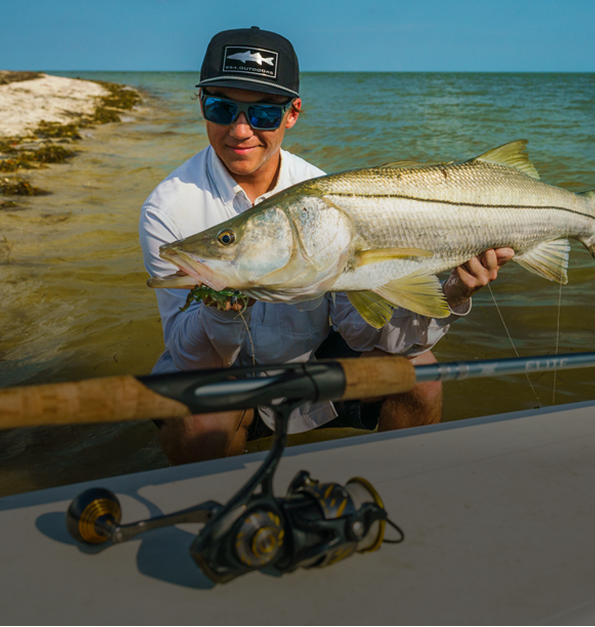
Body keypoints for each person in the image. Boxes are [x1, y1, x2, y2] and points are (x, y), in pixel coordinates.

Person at [139, 26, 514, 464]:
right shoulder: (168, 209)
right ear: (201, 104)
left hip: (312, 366)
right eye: (222, 108)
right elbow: (189, 358)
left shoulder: (319, 194)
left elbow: (361, 330)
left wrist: (451, 294)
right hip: (225, 382)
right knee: (200, 424)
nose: (240, 131)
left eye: (263, 115)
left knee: (421, 374)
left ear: (292, 113)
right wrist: (218, 307)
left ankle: (394, 496)